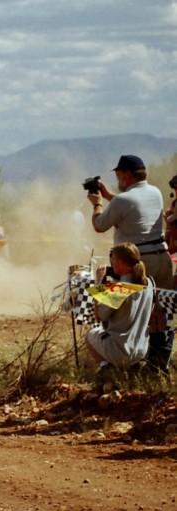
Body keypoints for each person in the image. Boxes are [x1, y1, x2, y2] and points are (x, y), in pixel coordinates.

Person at [88, 154, 173, 370]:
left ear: (126, 175)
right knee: (160, 314)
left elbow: (100, 225)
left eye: (118, 175)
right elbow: (133, 207)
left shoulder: (122, 200)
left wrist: (97, 204)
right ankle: (159, 364)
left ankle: (120, 360)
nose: (117, 178)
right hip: (162, 259)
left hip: (137, 260)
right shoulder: (154, 193)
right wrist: (110, 197)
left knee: (128, 314)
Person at [86, 243, 154, 371]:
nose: (111, 261)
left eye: (114, 259)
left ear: (122, 262)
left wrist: (98, 283)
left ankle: (107, 369)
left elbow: (99, 316)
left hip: (120, 350)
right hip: (141, 350)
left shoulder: (120, 289)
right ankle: (131, 367)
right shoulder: (149, 282)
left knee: (90, 334)